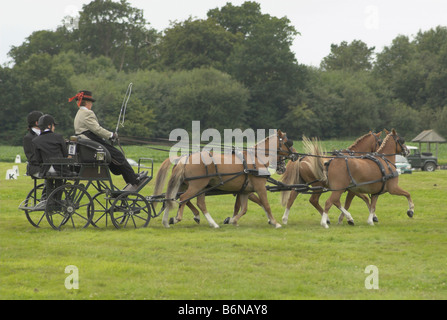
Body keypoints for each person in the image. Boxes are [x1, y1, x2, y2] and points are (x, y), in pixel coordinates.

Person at [69, 90, 147, 186]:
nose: (91, 105)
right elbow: (97, 129)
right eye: (91, 103)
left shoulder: (79, 113)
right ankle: (134, 179)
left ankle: (129, 175)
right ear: (88, 102)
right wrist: (111, 135)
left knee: (114, 155)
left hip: (87, 142)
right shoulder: (87, 113)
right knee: (118, 155)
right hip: (91, 142)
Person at [32, 115, 69, 209]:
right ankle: (58, 201)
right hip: (60, 169)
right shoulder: (58, 137)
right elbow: (65, 154)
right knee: (59, 180)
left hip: (46, 170)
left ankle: (50, 201)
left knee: (49, 179)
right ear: (49, 126)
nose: (54, 127)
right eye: (53, 125)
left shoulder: (36, 140)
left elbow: (39, 159)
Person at [23, 111, 43, 178]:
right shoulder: (28, 138)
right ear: (37, 123)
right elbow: (32, 157)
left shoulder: (43, 135)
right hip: (36, 168)